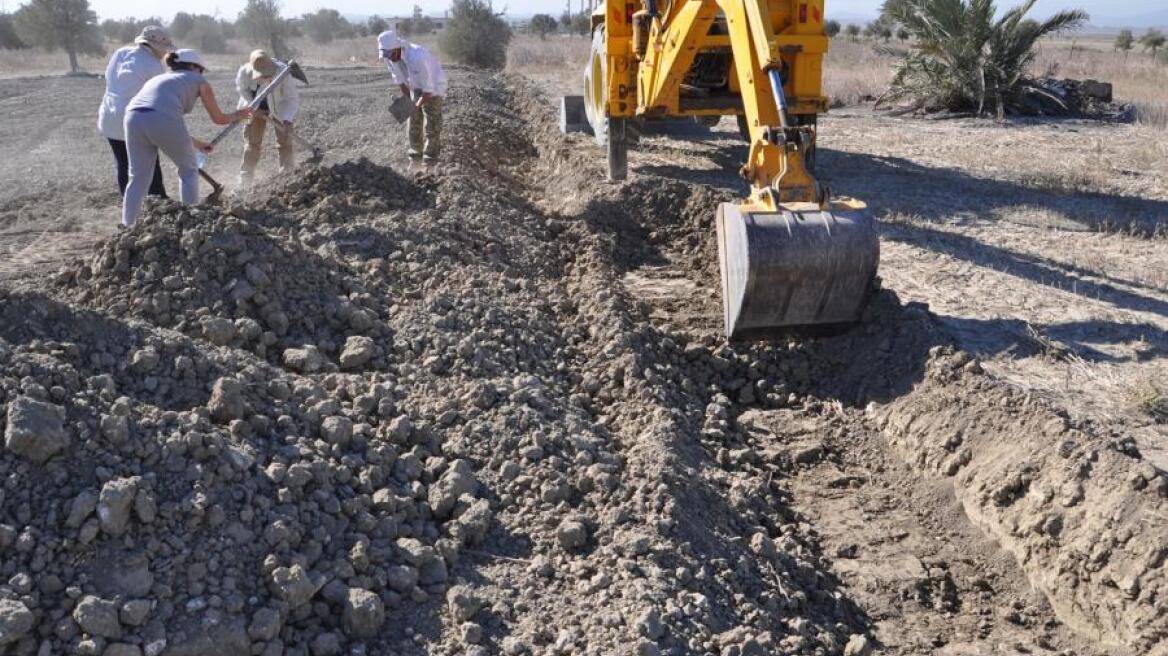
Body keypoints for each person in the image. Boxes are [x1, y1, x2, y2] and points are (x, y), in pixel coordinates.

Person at [121, 49, 250, 228]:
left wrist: (197, 144)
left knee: (137, 177)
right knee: (189, 170)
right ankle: (189, 224)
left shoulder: (158, 79)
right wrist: (239, 114)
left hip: (132, 118)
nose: (202, 73)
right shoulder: (198, 80)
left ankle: (127, 226)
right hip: (160, 119)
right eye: (201, 69)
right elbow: (218, 119)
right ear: (193, 66)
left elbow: (156, 117)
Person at [97, 25, 174, 199]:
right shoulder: (154, 66)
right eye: (164, 49)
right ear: (155, 47)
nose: (165, 53)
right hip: (133, 121)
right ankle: (158, 203)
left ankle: (129, 205)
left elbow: (111, 80)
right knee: (149, 163)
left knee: (123, 163)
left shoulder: (120, 53)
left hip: (110, 117)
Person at [377, 30, 447, 167]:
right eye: (385, 54)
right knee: (413, 121)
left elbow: (428, 91)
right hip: (415, 86)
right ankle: (415, 159)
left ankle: (430, 161)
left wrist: (417, 105)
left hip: (434, 88)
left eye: (390, 53)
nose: (388, 57)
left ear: (398, 47)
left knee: (432, 124)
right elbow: (401, 82)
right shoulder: (390, 58)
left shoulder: (418, 57)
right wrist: (408, 103)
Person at [235, 49, 301, 187]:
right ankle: (245, 179)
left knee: (285, 140)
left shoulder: (283, 72)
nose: (267, 78)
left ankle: (286, 174)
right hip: (254, 107)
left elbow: (292, 98)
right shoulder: (243, 72)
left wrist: (287, 119)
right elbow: (242, 91)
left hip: (279, 107)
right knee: (252, 143)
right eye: (263, 76)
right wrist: (254, 109)